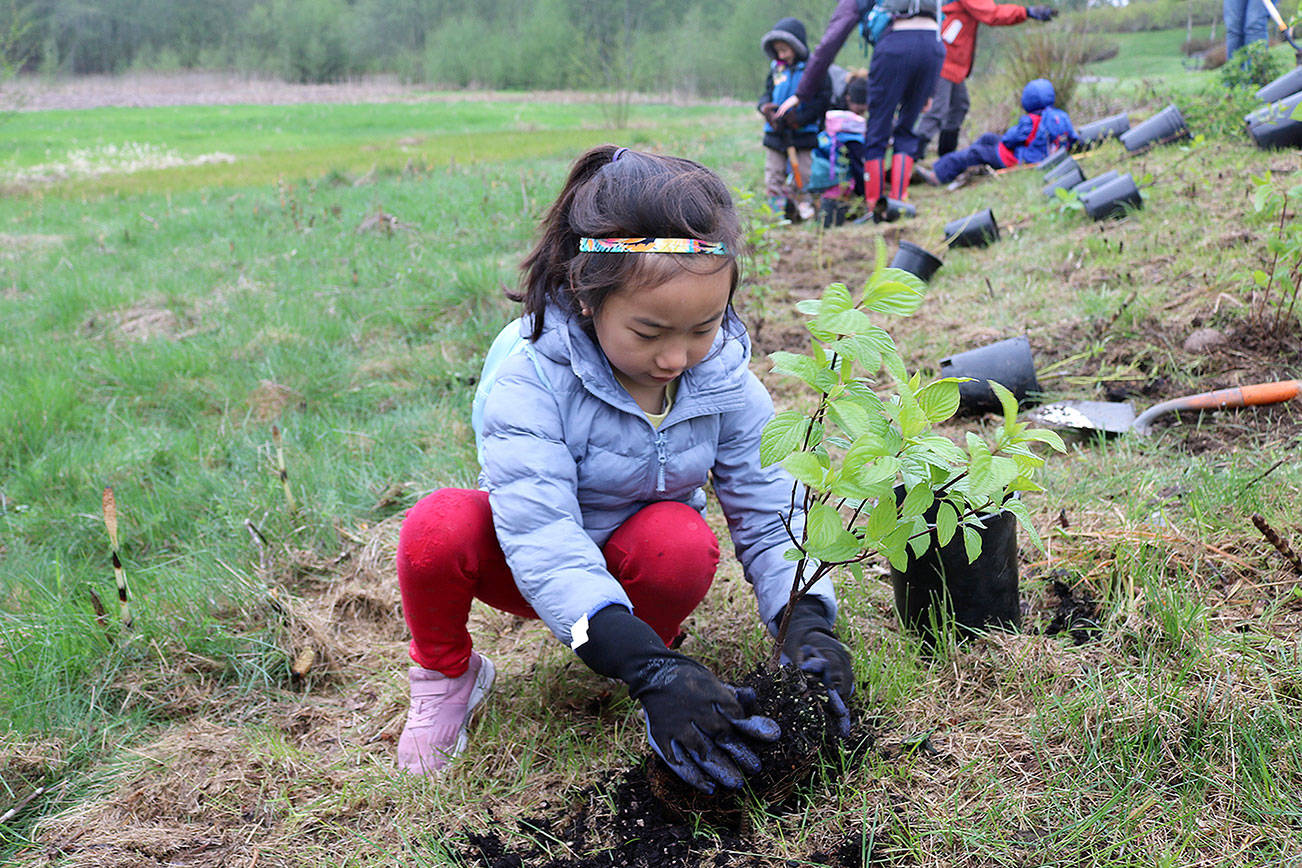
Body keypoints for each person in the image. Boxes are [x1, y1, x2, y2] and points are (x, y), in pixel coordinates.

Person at [395, 145, 854, 794]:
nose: (676, 357)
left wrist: (806, 620)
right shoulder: (530, 378)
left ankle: (653, 653)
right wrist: (647, 669)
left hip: (636, 560)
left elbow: (771, 507)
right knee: (436, 528)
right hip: (531, 563)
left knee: (680, 541)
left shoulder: (722, 378)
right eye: (648, 332)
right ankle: (450, 676)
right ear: (588, 296)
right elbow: (544, 541)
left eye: (704, 326)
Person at [776, 0, 945, 222]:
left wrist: (802, 93)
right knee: (906, 130)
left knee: (877, 131)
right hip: (933, 47)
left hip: (895, 46)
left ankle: (875, 207)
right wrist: (929, 90)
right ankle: (899, 204)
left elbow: (830, 42)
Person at [914, 0, 1058, 161]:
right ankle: (911, 155)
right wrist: (1027, 12)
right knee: (937, 110)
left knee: (959, 106)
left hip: (952, 61)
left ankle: (946, 157)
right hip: (945, 60)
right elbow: (992, 14)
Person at [919, 78, 1077, 186]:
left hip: (1017, 159)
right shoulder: (1061, 116)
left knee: (975, 152)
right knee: (987, 138)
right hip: (1039, 154)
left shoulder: (1031, 120)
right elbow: (1073, 138)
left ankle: (938, 175)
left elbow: (1009, 140)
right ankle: (948, 165)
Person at [758, 17, 833, 222]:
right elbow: (767, 94)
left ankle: (803, 208)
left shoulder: (814, 70)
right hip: (776, 131)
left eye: (785, 49)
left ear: (796, 46)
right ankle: (776, 215)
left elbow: (823, 100)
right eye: (777, 50)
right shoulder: (776, 68)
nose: (781, 54)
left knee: (804, 175)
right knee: (774, 174)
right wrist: (765, 109)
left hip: (802, 131)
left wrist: (800, 119)